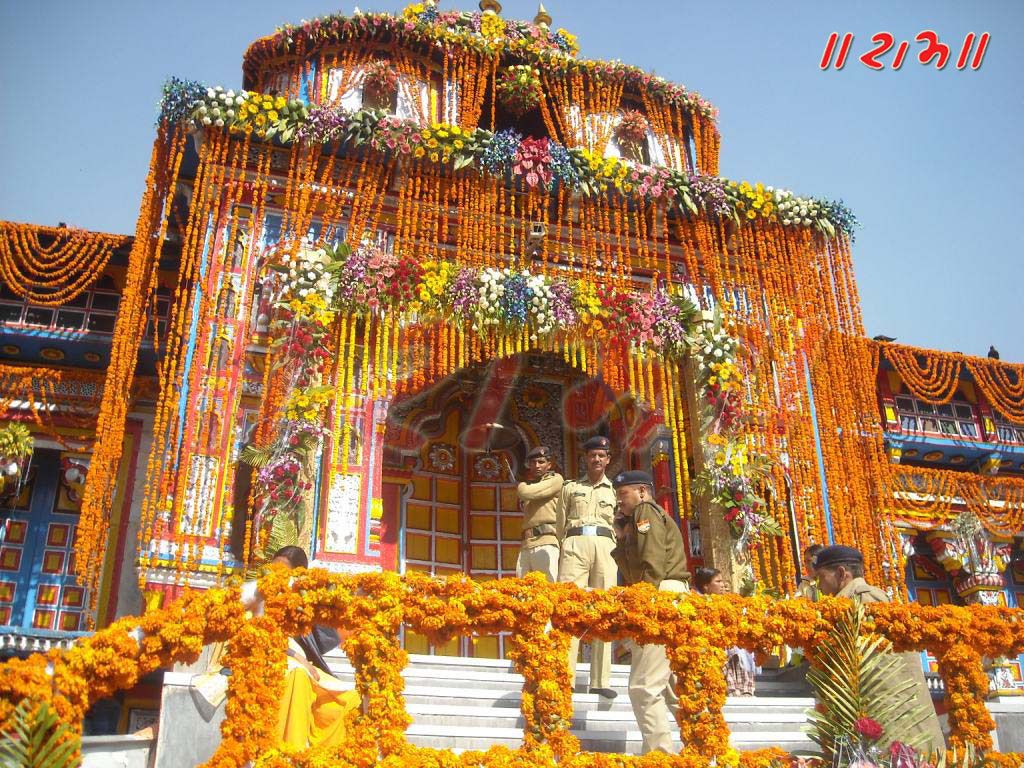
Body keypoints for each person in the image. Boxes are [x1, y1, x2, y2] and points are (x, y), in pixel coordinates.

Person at [813, 545, 945, 754]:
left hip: (888, 721)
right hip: (896, 721)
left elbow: (876, 672)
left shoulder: (862, 600)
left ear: (841, 574)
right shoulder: (870, 597)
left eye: (821, 578)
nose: (819, 587)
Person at [610, 470, 690, 754]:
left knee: (644, 686)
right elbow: (636, 568)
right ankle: (701, 747)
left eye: (623, 494)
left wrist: (643, 604)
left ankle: (660, 755)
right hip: (666, 595)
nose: (619, 502)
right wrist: (621, 537)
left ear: (642, 491)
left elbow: (652, 564)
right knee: (672, 688)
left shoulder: (645, 511)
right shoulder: (637, 520)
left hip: (659, 595)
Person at [267, 546, 361, 750]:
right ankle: (291, 752)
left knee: (351, 699)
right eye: (273, 569)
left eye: (283, 571)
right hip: (270, 656)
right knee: (298, 675)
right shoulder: (260, 593)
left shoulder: (301, 598)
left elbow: (319, 635)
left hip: (300, 661)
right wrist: (299, 659)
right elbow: (258, 632)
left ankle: (327, 758)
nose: (276, 576)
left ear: (298, 575)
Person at [556, 435, 619, 698]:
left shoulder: (615, 490)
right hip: (576, 541)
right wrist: (567, 546)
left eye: (601, 455)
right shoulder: (570, 488)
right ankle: (564, 676)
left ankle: (600, 681)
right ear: (586, 458)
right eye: (592, 455)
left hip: (605, 545)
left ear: (608, 459)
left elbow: (620, 524)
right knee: (569, 607)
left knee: (605, 609)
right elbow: (560, 522)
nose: (596, 459)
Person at [693, 567, 757, 697]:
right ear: (706, 586)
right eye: (718, 582)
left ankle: (744, 689)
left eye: (722, 581)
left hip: (727, 641)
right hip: (710, 644)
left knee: (740, 648)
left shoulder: (728, 601)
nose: (723, 585)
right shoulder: (698, 604)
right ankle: (732, 689)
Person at [515, 445, 563, 582]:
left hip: (546, 541)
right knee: (522, 590)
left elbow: (524, 492)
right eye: (533, 462)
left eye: (541, 462)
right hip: (526, 543)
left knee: (548, 587)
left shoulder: (556, 479)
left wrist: (522, 487)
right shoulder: (531, 484)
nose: (537, 465)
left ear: (549, 464)